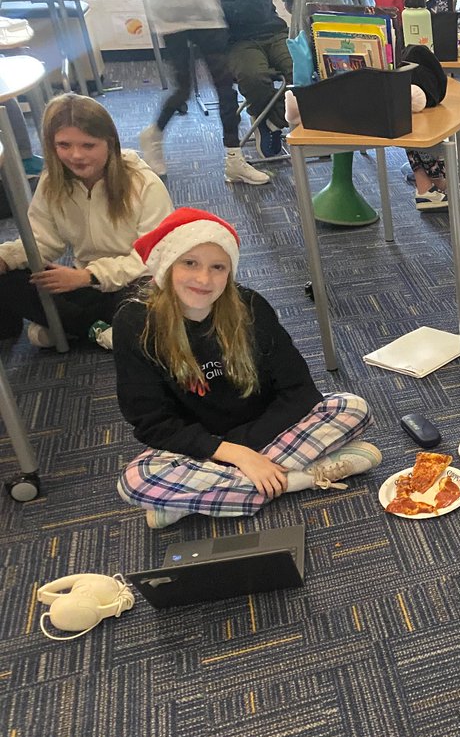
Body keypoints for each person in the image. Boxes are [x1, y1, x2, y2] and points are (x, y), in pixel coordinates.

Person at [113, 208, 382, 529]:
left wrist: (247, 448)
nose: (203, 279)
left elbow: (299, 391)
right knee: (136, 478)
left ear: (230, 273)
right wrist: (234, 455)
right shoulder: (134, 323)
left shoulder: (251, 306)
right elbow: (152, 423)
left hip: (267, 429)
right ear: (167, 265)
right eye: (189, 263)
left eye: (218, 267)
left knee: (352, 407)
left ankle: (194, 500)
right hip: (200, 448)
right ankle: (305, 478)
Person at [271, 0, 451, 211]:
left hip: (345, 83)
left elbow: (369, 22)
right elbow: (348, 38)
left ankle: (429, 181)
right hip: (335, 91)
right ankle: (432, 181)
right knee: (419, 88)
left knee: (416, 73)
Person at [0, 94, 172, 349]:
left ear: (109, 143)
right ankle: (97, 330)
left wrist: (89, 275)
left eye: (88, 145)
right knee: (11, 278)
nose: (76, 155)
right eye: (64, 145)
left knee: (158, 303)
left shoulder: (144, 183)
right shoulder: (51, 183)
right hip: (86, 284)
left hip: (134, 282)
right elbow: (42, 243)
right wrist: (6, 257)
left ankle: (71, 327)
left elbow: (156, 257)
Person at [137, 0, 271, 185]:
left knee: (225, 88)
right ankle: (154, 134)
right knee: (183, 90)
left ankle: (234, 160)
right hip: (170, 17)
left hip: (207, 13)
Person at [216, 0, 294, 160]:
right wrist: (240, 7)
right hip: (237, 42)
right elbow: (206, 12)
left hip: (274, 32)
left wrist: (223, 7)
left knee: (302, 71)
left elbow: (259, 10)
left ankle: (271, 121)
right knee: (254, 77)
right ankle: (264, 117)